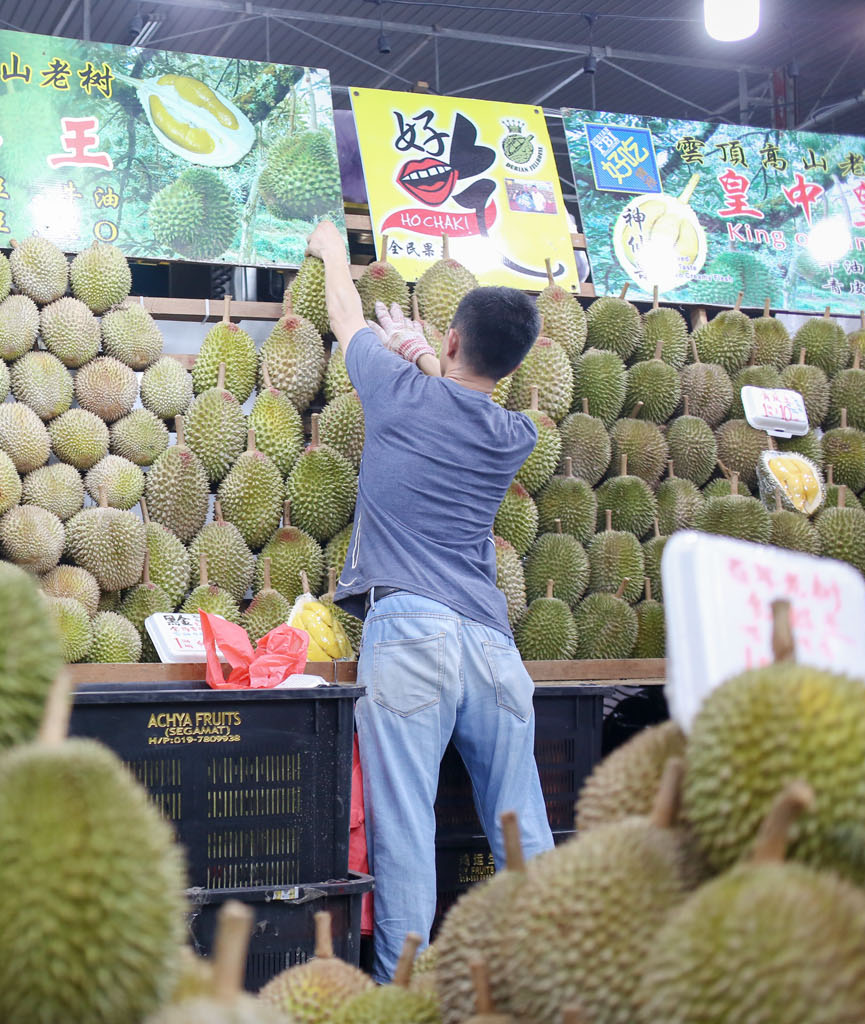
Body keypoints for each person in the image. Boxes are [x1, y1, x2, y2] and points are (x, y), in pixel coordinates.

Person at [304, 219, 554, 982]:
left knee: (406, 828)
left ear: (451, 341)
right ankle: (556, 973)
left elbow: (347, 316)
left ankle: (404, 993)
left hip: (409, 631)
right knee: (523, 826)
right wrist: (424, 354)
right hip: (492, 646)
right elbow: (461, 395)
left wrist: (334, 254)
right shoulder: (516, 433)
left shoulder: (396, 392)